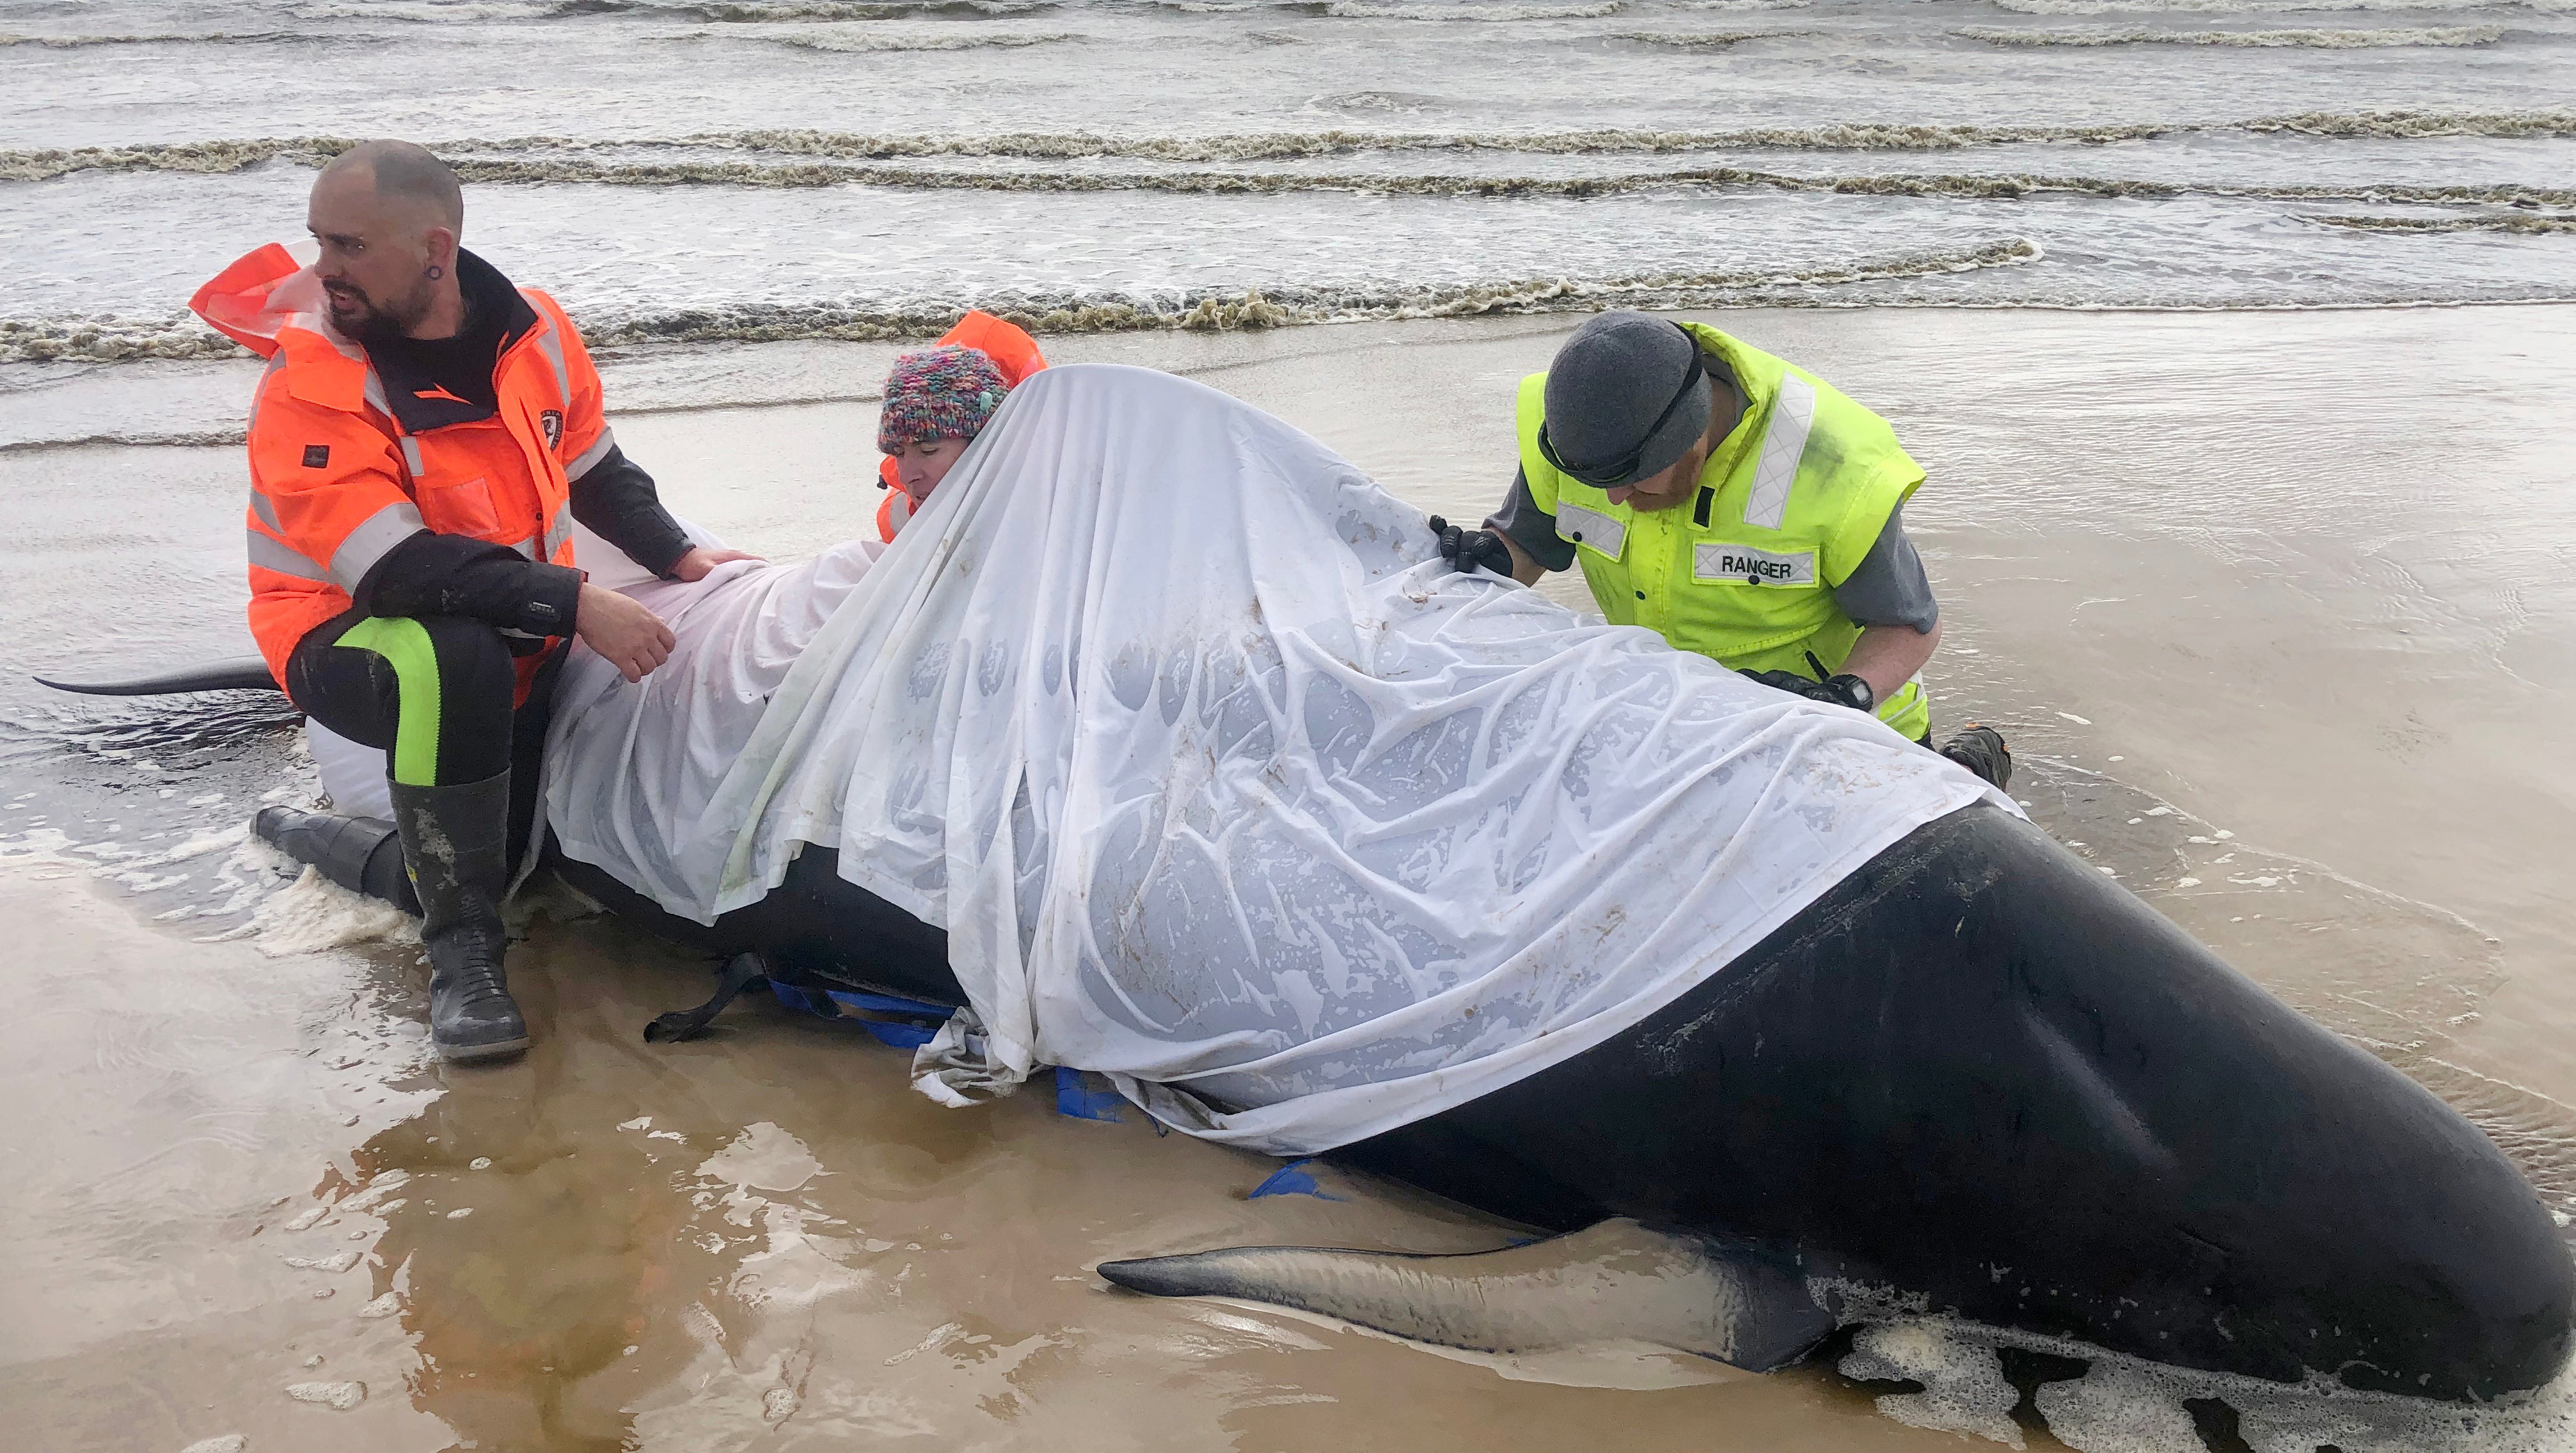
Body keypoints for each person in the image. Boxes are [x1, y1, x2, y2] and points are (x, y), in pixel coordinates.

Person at [191, 140, 754, 1062]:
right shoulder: (313, 379)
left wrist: (681, 556)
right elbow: (392, 571)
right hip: (347, 635)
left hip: (511, 625)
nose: (323, 270)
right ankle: (463, 960)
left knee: (511, 863)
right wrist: (577, 603)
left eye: (349, 247)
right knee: (451, 658)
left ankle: (352, 849)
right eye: (318, 242)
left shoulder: (535, 332)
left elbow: (593, 466)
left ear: (435, 251)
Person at [1430, 311, 2010, 788]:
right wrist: (1487, 560)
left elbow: (1909, 627)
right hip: (1680, 722)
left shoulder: (1834, 470)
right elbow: (1527, 544)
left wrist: (1840, 699)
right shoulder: (1582, 430)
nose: (1613, 496)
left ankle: (1975, 757)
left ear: (1695, 435)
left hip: (1847, 724)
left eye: (1634, 478)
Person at [873, 313, 1046, 541]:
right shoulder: (899, 521)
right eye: (898, 453)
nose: (906, 476)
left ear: (986, 446)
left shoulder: (1060, 513)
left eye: (928, 450)